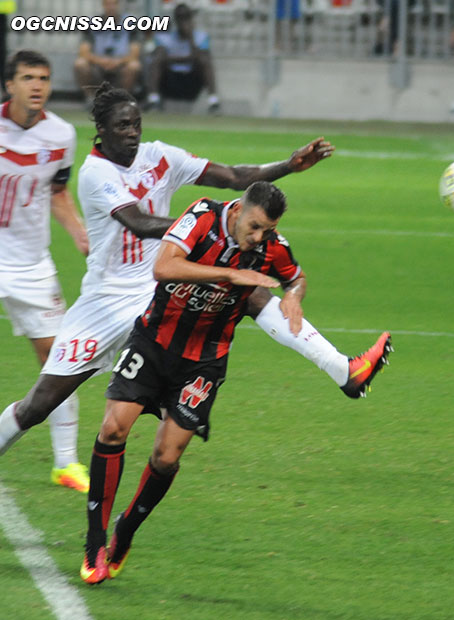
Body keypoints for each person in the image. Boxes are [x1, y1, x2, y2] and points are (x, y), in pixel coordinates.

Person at [0, 83, 391, 474]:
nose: (133, 132)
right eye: (123, 125)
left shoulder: (161, 157)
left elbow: (235, 177)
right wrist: (205, 229)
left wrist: (289, 165)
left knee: (247, 289)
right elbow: (137, 222)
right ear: (101, 129)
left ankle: (344, 370)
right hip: (106, 302)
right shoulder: (94, 172)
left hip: (160, 287)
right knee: (41, 402)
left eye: (136, 123)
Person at [80, 182, 382, 583]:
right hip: (154, 342)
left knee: (167, 457)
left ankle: (124, 533)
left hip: (204, 361)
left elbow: (296, 275)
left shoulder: (270, 244)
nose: (258, 237)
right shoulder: (204, 215)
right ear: (239, 209)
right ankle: (94, 543)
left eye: (267, 230)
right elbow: (164, 266)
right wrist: (229, 273)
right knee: (114, 428)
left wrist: (294, 295)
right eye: (254, 226)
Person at [0, 50, 90, 492]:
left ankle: (65, 462)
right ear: (9, 85)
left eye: (44, 78)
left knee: (60, 357)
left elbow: (59, 192)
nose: (37, 85)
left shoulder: (61, 134)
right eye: (27, 77)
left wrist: (79, 232)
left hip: (30, 265)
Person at [145, 3, 220, 114]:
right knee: (156, 59)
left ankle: (213, 102)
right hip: (171, 80)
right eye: (180, 18)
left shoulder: (201, 37)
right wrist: (187, 58)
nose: (183, 21)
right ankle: (153, 100)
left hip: (192, 80)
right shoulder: (165, 38)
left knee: (204, 60)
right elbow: (159, 58)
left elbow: (199, 58)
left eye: (186, 17)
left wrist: (190, 39)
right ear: (175, 20)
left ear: (191, 19)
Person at [73, 0, 142, 107]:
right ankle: (90, 98)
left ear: (118, 5)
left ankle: (122, 99)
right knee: (80, 63)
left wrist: (117, 62)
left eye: (114, 4)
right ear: (103, 5)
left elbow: (135, 53)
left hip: (121, 65)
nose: (111, 7)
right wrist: (101, 61)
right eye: (108, 4)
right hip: (98, 65)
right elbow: (83, 52)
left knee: (134, 65)